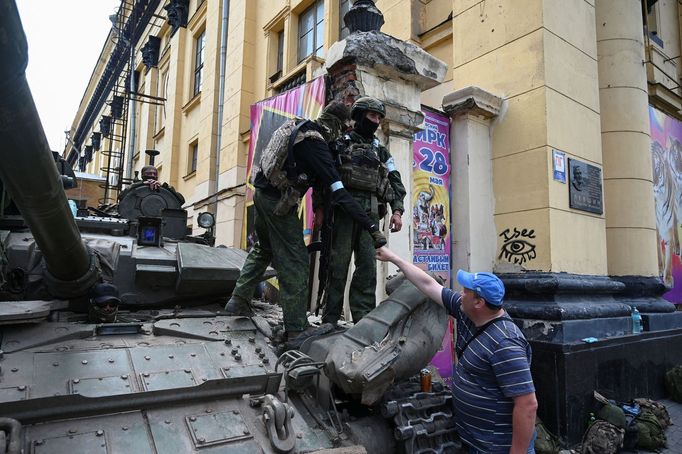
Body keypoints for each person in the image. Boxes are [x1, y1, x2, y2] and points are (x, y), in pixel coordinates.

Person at [225, 101, 387, 344]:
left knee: (264, 248)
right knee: (296, 260)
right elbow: (339, 192)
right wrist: (371, 226)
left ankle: (238, 299)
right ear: (336, 124)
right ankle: (296, 328)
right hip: (279, 201)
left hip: (261, 193)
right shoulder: (317, 146)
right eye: (343, 128)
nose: (342, 134)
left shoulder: (300, 126)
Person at [375, 246, 538, 454]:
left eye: (466, 291)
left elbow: (527, 405)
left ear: (479, 302)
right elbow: (427, 284)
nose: (461, 294)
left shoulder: (505, 343)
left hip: (497, 448)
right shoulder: (467, 313)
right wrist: (393, 258)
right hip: (473, 441)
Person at [320, 96, 406, 325]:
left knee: (367, 269)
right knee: (338, 266)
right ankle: (330, 319)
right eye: (372, 115)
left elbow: (396, 181)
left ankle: (363, 321)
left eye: (379, 116)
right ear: (359, 116)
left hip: (372, 212)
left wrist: (397, 211)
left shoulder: (382, 152)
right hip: (343, 212)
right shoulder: (341, 143)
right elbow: (323, 177)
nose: (376, 120)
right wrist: (320, 210)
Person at [118, 165, 185, 205]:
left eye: (154, 174)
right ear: (142, 175)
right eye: (149, 173)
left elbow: (181, 201)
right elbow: (121, 196)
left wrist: (165, 187)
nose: (152, 176)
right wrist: (140, 184)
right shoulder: (135, 187)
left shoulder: (163, 189)